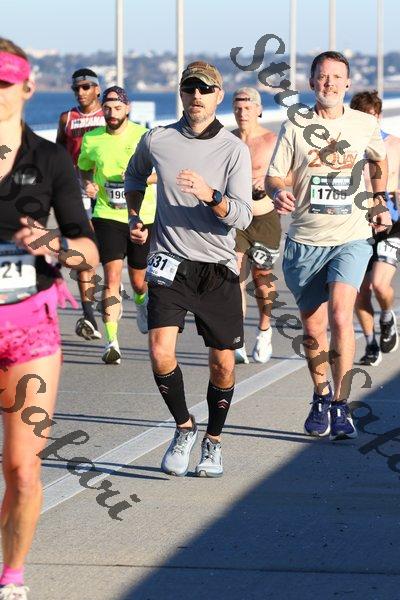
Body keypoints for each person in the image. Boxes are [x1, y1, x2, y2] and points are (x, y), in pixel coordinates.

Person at [0, 39, 99, 599]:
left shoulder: (50, 160)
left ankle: (11, 577)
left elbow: (87, 252)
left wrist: (51, 242)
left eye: (4, 83)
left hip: (28, 328)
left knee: (22, 469)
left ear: (26, 88)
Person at [125, 61, 252, 477]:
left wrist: (210, 195)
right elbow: (134, 177)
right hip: (169, 261)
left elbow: (243, 216)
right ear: (181, 93)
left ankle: (213, 441)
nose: (196, 96)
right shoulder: (157, 139)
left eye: (205, 89)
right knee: (160, 353)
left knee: (223, 365)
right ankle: (183, 427)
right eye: (189, 88)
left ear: (218, 96)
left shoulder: (233, 149)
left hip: (217, 266)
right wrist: (135, 216)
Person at [266, 51, 391, 441]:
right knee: (314, 329)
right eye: (323, 76)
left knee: (340, 316)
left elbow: (379, 160)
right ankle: (320, 394)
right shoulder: (295, 126)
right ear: (311, 82)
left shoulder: (363, 124)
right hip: (305, 240)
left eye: (337, 77)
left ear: (348, 83)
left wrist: (379, 198)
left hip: (350, 237)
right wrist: (278, 192)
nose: (330, 83)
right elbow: (274, 176)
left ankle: (340, 403)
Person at [78, 85, 156, 365]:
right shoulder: (92, 139)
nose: (112, 113)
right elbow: (84, 168)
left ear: (127, 108)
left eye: (117, 108)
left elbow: (160, 173)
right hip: (106, 214)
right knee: (111, 278)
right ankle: (112, 342)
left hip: (141, 215)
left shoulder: (143, 136)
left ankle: (141, 302)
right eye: (108, 108)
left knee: (138, 281)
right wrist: (87, 183)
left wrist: (137, 178)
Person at [232, 87, 281, 364]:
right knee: (234, 277)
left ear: (258, 110)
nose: (242, 113)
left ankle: (264, 329)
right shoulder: (227, 141)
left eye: (248, 108)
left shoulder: (272, 141)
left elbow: (289, 175)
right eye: (238, 108)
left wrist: (268, 183)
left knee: (262, 281)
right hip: (236, 219)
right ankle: (236, 338)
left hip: (264, 218)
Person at [350, 90, 400, 365]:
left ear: (379, 117)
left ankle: (387, 315)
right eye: (363, 117)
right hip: (357, 225)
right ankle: (371, 344)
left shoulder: (394, 145)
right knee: (359, 291)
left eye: (373, 116)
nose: (369, 122)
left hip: (391, 224)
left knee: (380, 285)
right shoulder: (346, 149)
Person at [56, 68, 105, 341]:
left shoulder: (109, 115)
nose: (81, 92)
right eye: (76, 88)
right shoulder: (67, 118)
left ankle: (132, 295)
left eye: (86, 87)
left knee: (110, 255)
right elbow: (58, 153)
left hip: (107, 194)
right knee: (85, 252)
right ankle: (89, 315)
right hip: (77, 193)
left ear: (97, 89)